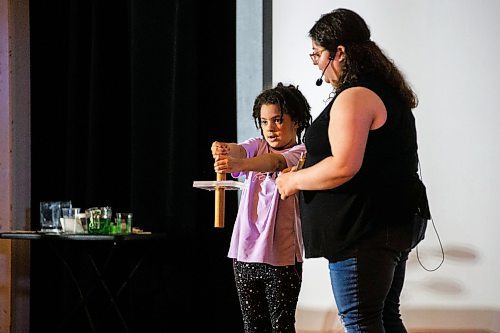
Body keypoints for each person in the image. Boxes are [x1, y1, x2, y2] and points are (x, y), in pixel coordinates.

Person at [276, 8, 430, 333]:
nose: (316, 63)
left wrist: (293, 181)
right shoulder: (382, 91)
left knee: (360, 322)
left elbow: (344, 165)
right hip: (387, 224)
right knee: (385, 317)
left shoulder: (356, 96)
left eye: (317, 54)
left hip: (363, 231)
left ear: (340, 52)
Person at [211, 82, 312, 333]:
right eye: (265, 122)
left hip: (282, 257)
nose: (271, 129)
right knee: (252, 326)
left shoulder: (300, 152)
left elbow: (273, 161)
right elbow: (240, 149)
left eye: (278, 120)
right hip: (245, 254)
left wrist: (239, 165)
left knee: (281, 326)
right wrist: (224, 149)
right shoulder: (256, 144)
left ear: (296, 120)